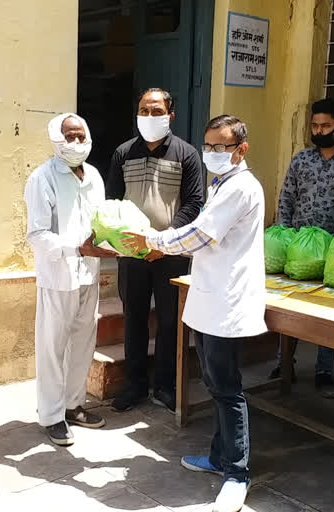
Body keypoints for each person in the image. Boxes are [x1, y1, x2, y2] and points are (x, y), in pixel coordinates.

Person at [119, 115, 265, 512]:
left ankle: (237, 473)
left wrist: (153, 240)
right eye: (209, 146)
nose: (213, 154)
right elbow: (202, 232)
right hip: (210, 297)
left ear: (241, 149)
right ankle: (220, 457)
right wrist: (160, 242)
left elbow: (201, 235)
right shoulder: (223, 185)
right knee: (217, 385)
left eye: (222, 147)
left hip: (227, 302)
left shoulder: (241, 188)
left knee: (227, 388)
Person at [106, 88, 204, 413]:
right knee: (133, 317)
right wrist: (126, 242)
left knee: (169, 319)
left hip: (170, 254)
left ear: (170, 115)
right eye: (144, 110)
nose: (150, 116)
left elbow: (194, 203)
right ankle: (134, 384)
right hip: (132, 253)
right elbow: (113, 203)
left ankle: (165, 384)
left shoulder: (186, 154)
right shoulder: (123, 153)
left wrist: (165, 242)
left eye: (156, 110)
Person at [270, 98, 334, 398]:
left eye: (325, 125)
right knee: (289, 307)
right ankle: (284, 363)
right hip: (299, 249)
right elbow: (286, 199)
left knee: (329, 313)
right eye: (315, 125)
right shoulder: (301, 160)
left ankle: (323, 370)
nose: (319, 130)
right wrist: (286, 236)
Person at [24, 113, 118, 446]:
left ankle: (74, 405)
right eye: (70, 136)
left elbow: (101, 221)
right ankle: (51, 416)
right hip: (58, 275)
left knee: (83, 343)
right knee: (52, 347)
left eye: (81, 136)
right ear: (56, 139)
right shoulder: (42, 178)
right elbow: (36, 234)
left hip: (88, 274)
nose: (77, 142)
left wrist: (114, 242)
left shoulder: (93, 175)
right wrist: (76, 248)